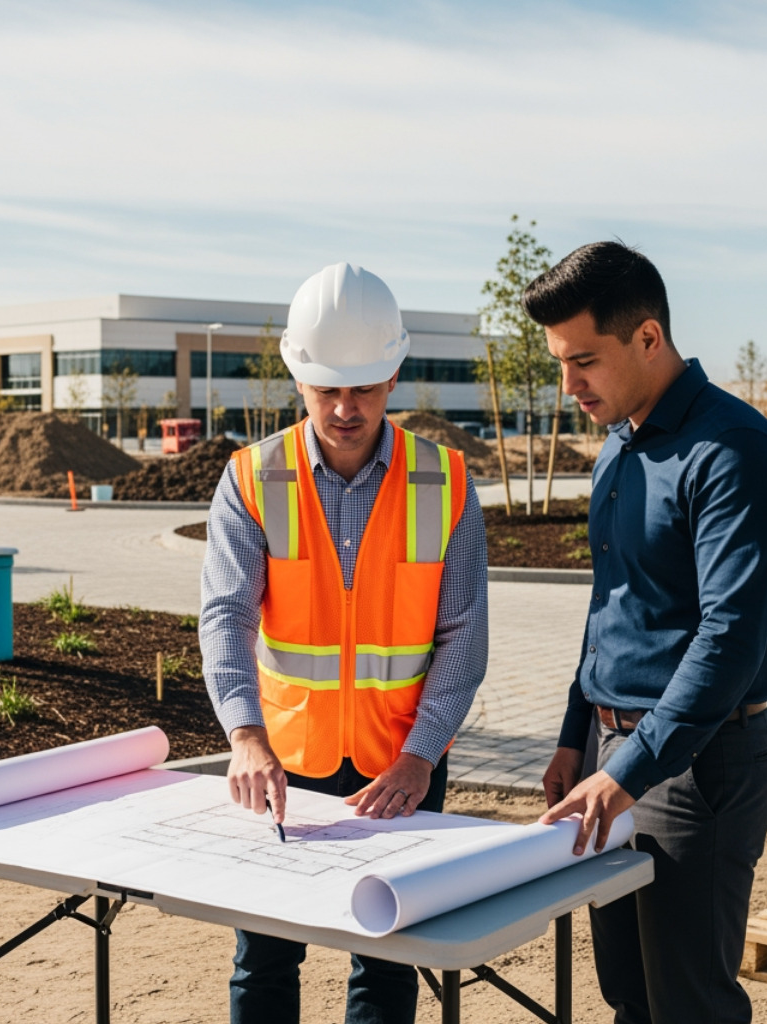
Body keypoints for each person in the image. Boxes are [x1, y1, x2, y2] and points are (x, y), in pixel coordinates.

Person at [199, 262, 488, 1024]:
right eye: (327, 387)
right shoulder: (252, 479)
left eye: (361, 386)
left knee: (387, 966)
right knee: (263, 961)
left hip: (403, 766)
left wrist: (422, 755)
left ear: (393, 374)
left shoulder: (448, 481)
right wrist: (245, 735)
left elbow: (463, 634)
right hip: (282, 760)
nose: (344, 406)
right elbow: (224, 617)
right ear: (299, 376)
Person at [529, 242, 767, 1024]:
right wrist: (576, 738)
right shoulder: (618, 445)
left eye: (584, 362)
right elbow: (609, 606)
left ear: (648, 338)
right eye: (558, 364)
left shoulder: (734, 451)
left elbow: (730, 638)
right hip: (616, 757)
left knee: (689, 1006)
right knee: (630, 997)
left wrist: (631, 768)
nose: (568, 385)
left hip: (699, 766)